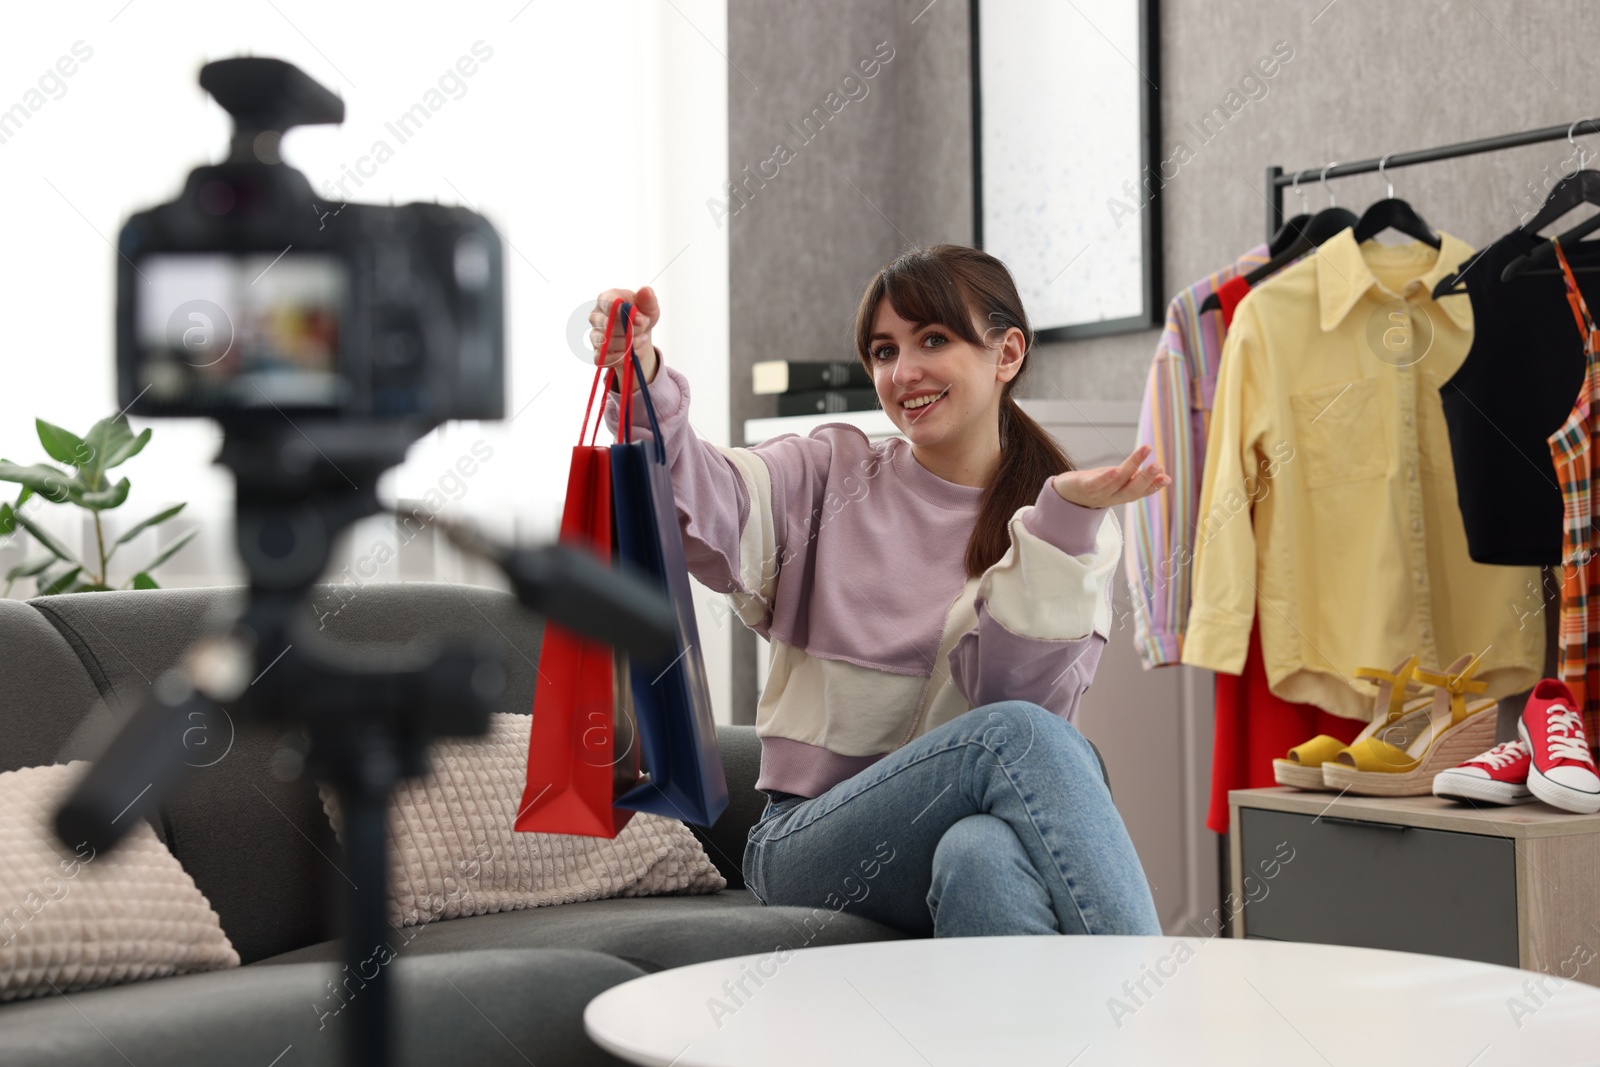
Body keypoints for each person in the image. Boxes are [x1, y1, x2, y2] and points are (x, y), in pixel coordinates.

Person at [596, 244, 1168, 937]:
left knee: (981, 854)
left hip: (951, 829)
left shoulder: (1066, 523)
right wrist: (644, 378)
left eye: (933, 339)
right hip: (807, 840)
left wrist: (1061, 529)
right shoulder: (828, 473)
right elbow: (703, 497)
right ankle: (1151, 1005)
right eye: (883, 350)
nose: (904, 371)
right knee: (1016, 741)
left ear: (1007, 353)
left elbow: (1022, 699)